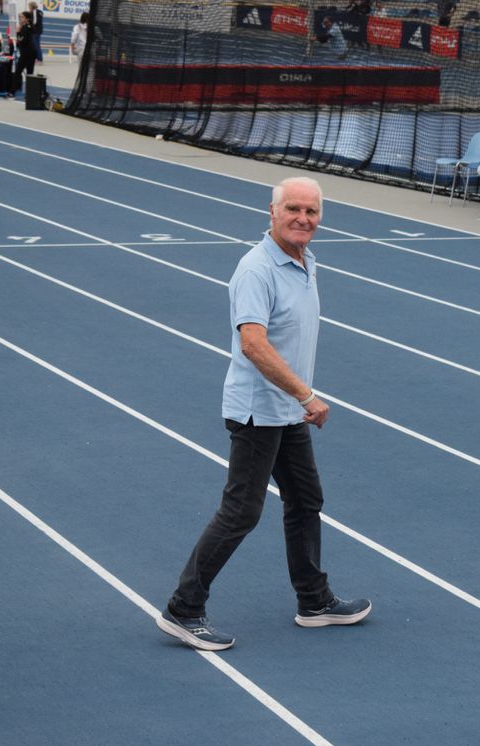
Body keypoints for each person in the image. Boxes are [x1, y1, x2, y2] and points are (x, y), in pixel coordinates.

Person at [156, 177, 371, 651]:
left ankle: (313, 600)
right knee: (241, 511)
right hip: (259, 412)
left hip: (286, 411)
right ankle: (184, 608)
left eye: (312, 211)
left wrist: (297, 401)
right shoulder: (256, 269)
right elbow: (253, 343)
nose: (303, 218)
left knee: (305, 498)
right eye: (293, 209)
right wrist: (305, 394)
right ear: (271, 212)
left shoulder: (304, 260)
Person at [6, 11, 36, 99]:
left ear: (27, 19)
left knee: (18, 72)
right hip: (31, 52)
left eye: (22, 17)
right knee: (30, 73)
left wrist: (18, 32)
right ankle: (29, 94)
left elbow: (22, 40)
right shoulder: (30, 26)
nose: (20, 18)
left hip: (27, 53)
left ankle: (12, 92)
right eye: (20, 17)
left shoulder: (25, 28)